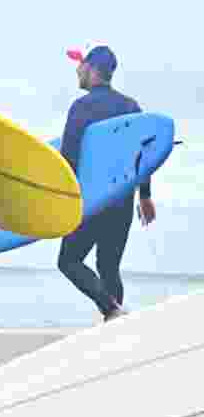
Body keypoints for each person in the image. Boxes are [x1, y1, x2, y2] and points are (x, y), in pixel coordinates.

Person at [57, 44, 155, 322]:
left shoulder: (81, 107)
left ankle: (111, 310)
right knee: (109, 267)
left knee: (68, 261)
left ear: (91, 68)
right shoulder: (131, 107)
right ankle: (115, 325)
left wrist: (62, 200)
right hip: (121, 200)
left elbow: (69, 159)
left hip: (91, 201)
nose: (77, 71)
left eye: (80, 66)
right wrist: (145, 196)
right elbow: (144, 153)